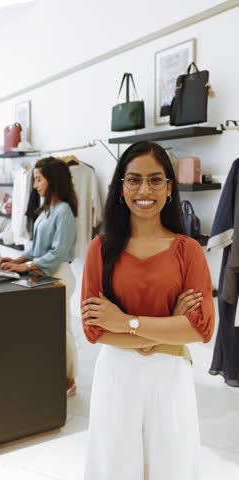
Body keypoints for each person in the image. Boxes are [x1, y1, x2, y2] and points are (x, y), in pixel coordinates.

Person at [81, 141, 215, 480]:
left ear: (169, 187)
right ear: (121, 187)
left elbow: (201, 328)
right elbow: (95, 330)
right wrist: (167, 325)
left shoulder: (188, 251)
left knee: (173, 465)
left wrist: (127, 322)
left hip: (170, 377)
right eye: (134, 179)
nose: (145, 189)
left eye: (156, 180)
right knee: (114, 465)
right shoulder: (101, 249)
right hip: (117, 374)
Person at [0, 157, 78, 397]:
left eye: (38, 179)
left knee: (61, 330)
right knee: (48, 330)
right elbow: (36, 248)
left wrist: (24, 267)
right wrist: (17, 261)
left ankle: (70, 380)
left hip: (59, 276)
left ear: (52, 180)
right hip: (44, 275)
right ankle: (53, 373)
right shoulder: (46, 211)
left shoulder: (63, 212)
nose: (35, 185)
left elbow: (57, 254)